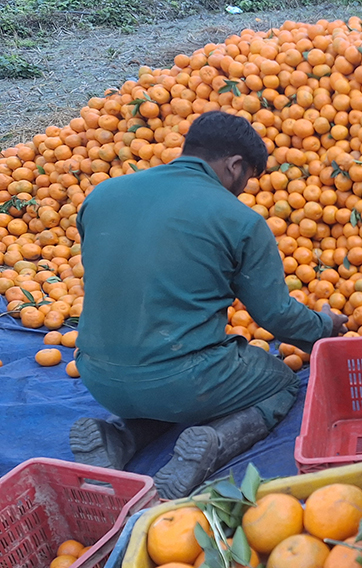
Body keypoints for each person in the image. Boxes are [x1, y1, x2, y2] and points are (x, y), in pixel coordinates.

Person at [69, 111, 348, 498]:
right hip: (185, 382)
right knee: (280, 382)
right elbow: (275, 316)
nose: (242, 190)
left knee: (173, 386)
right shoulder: (240, 221)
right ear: (235, 166)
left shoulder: (102, 195)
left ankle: (119, 438)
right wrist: (325, 327)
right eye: (246, 179)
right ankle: (215, 444)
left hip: (97, 375)